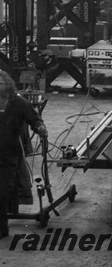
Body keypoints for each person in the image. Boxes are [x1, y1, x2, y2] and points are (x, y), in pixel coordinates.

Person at [0, 71, 47, 238]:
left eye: (0, 83)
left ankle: (1, 229)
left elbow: (34, 119)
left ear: (7, 84)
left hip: (9, 155)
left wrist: (40, 128)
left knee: (2, 192)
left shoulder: (19, 102)